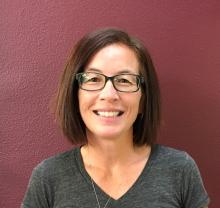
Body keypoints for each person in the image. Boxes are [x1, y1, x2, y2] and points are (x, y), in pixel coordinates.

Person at [21, 28, 210, 208]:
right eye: (93, 79)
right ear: (75, 94)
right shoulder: (48, 177)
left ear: (143, 99)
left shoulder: (180, 170)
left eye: (124, 80)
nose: (109, 94)